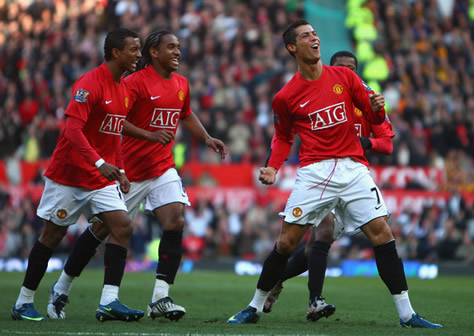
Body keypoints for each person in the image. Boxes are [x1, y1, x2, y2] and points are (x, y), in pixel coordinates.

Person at [227, 20, 442, 329]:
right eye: (305, 36)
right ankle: (254, 306)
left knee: (383, 234)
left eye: (315, 34)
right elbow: (283, 136)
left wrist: (378, 108)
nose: (314, 38)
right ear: (292, 48)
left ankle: (408, 314)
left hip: (353, 168)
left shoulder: (344, 77)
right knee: (287, 243)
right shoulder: (285, 97)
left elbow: (372, 116)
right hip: (315, 171)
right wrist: (273, 165)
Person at [47, 30, 227, 322]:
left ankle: (160, 297)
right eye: (171, 47)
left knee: (176, 219)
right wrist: (147, 135)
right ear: (153, 52)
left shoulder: (181, 83)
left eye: (179, 47)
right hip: (129, 170)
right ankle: (62, 285)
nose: (178, 52)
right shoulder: (133, 83)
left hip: (162, 167)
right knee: (103, 231)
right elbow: (116, 121)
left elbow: (186, 112)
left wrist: (206, 137)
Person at [11, 27, 144, 322]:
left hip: (101, 177)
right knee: (52, 235)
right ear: (115, 52)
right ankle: (23, 302)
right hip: (69, 175)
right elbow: (72, 130)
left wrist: (120, 170)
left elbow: (114, 133)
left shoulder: (123, 88)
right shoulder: (89, 83)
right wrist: (100, 163)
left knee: (122, 227)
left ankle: (109, 301)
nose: (139, 54)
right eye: (134, 49)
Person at [263, 51, 396, 319]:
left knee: (314, 248)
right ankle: (315, 301)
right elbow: (286, 135)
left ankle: (277, 280)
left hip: (353, 176)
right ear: (330, 71)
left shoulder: (366, 101)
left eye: (352, 68)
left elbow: (387, 142)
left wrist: (365, 142)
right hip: (322, 174)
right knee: (323, 231)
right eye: (341, 68)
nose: (347, 72)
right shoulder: (315, 97)